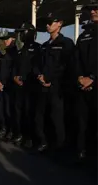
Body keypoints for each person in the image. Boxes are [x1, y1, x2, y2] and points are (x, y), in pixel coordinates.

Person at [34, 13, 75, 152]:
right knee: (40, 116)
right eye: (47, 22)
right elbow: (38, 64)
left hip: (57, 87)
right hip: (42, 87)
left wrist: (50, 79)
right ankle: (44, 142)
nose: (47, 25)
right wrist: (40, 76)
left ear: (60, 24)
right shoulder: (44, 46)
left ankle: (60, 147)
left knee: (57, 118)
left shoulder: (67, 43)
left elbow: (66, 65)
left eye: (51, 22)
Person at [74, 0, 98, 159]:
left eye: (97, 8)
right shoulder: (83, 36)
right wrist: (80, 77)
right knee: (83, 123)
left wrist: (93, 78)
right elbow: (76, 60)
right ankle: (82, 153)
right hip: (83, 86)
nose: (93, 11)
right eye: (91, 9)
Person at [13, 23, 41, 147]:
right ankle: (22, 135)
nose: (20, 35)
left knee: (32, 113)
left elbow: (38, 68)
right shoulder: (20, 51)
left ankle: (32, 138)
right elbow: (16, 68)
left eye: (22, 32)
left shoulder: (38, 49)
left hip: (32, 87)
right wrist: (15, 77)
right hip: (20, 87)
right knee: (20, 112)